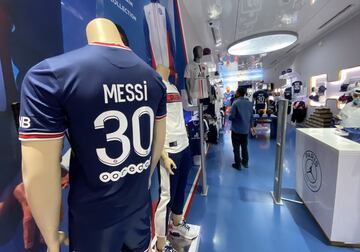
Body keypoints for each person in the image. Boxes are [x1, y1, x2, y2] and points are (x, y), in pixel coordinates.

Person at [229, 87, 254, 170]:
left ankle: (238, 164)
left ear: (238, 93)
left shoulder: (235, 103)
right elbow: (251, 116)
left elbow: (232, 116)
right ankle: (245, 162)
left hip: (236, 129)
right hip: (245, 130)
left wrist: (229, 115)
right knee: (244, 146)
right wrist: (251, 126)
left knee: (236, 148)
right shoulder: (250, 103)